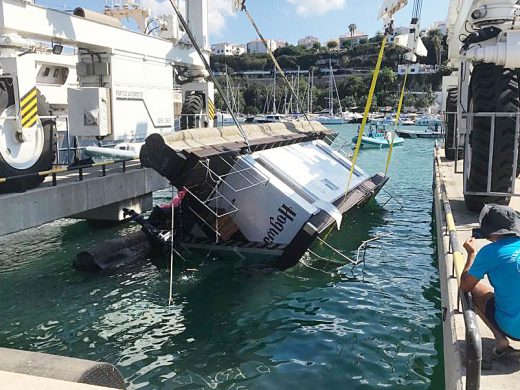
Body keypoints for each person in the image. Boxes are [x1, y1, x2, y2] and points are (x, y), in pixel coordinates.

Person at [461, 204, 520, 357]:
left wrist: (471, 254)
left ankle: (500, 339)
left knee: (475, 288)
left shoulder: (489, 252)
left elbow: (466, 285)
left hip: (512, 328)